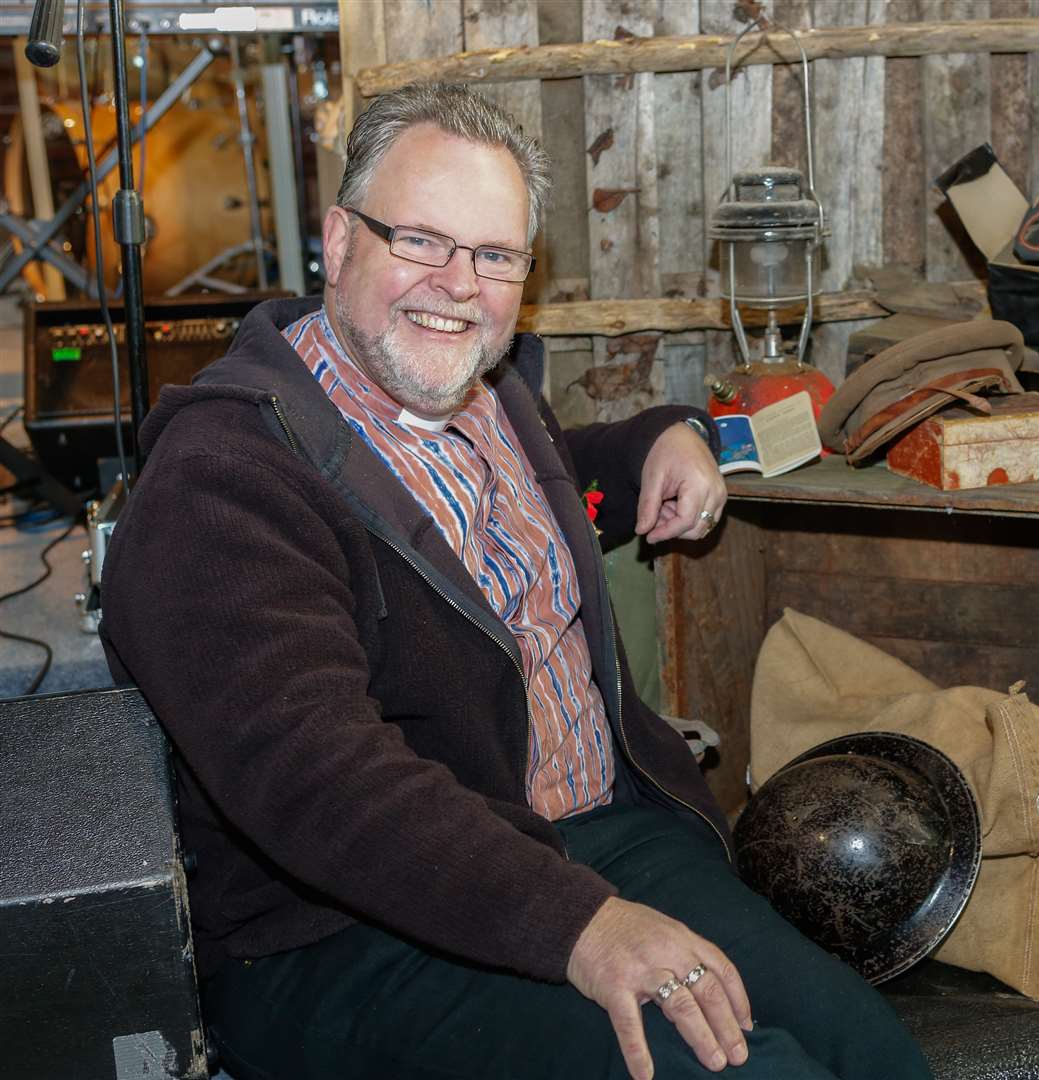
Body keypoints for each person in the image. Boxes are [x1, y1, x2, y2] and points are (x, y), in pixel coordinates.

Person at [99, 81, 932, 1080]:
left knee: (871, 1053)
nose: (458, 283)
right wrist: (579, 925)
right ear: (339, 238)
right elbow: (313, 773)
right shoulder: (221, 481)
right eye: (420, 239)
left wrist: (657, 442)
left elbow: (494, 511)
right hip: (344, 931)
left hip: (596, 839)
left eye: (495, 256)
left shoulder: (482, 393)